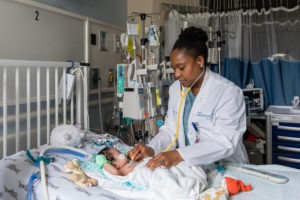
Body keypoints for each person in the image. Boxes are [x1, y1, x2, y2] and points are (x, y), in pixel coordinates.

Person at [128, 26, 248, 170]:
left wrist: (178, 155)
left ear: (199, 61)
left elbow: (224, 142)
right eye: (174, 68)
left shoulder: (227, 92)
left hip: (228, 168)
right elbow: (170, 130)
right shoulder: (175, 89)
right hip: (193, 169)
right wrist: (151, 149)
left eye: (181, 67)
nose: (177, 74)